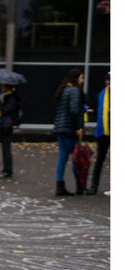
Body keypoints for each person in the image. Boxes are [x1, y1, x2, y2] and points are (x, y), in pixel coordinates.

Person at [53, 68, 85, 196]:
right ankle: (80, 186)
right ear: (76, 78)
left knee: (62, 158)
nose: (82, 80)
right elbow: (74, 110)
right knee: (77, 158)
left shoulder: (64, 90)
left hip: (60, 128)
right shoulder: (74, 90)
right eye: (81, 77)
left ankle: (60, 186)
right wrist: (78, 127)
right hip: (69, 128)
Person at [0, 82, 20, 180]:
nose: (1, 87)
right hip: (5, 124)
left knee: (6, 148)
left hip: (7, 125)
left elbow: (6, 110)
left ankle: (8, 170)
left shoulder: (10, 97)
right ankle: (6, 169)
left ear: (7, 87)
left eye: (3, 86)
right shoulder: (5, 96)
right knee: (4, 148)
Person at [87, 72, 110, 195]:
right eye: (107, 80)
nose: (108, 82)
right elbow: (94, 109)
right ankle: (94, 186)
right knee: (100, 159)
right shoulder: (100, 94)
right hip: (103, 131)